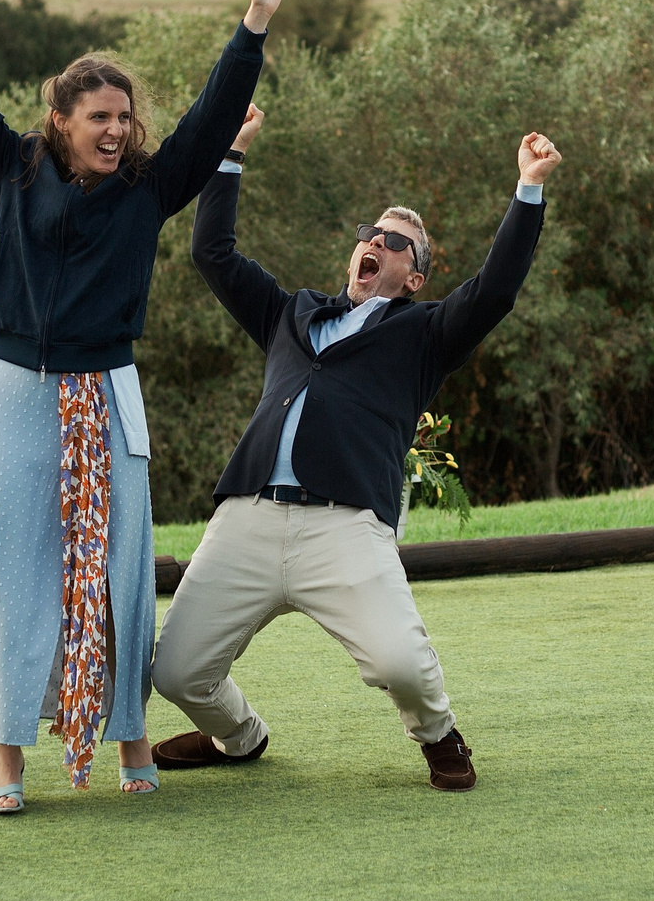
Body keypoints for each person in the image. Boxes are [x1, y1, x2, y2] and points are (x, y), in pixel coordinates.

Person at [0, 0, 297, 813]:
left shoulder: (150, 189)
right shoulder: (10, 167)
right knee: (14, 568)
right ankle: (8, 760)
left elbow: (207, 121)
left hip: (106, 392)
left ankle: (130, 737)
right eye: (98, 117)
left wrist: (255, 22)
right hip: (11, 393)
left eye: (124, 115)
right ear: (60, 119)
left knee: (120, 567)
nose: (117, 128)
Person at [151, 107, 562, 791]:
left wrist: (529, 188)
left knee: (400, 662)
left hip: (345, 526)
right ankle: (239, 735)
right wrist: (230, 154)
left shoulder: (425, 333)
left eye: (395, 241)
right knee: (175, 671)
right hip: (248, 516)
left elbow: (495, 292)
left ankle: (438, 734)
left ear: (415, 277)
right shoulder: (291, 313)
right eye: (370, 233)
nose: (377, 241)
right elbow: (211, 254)